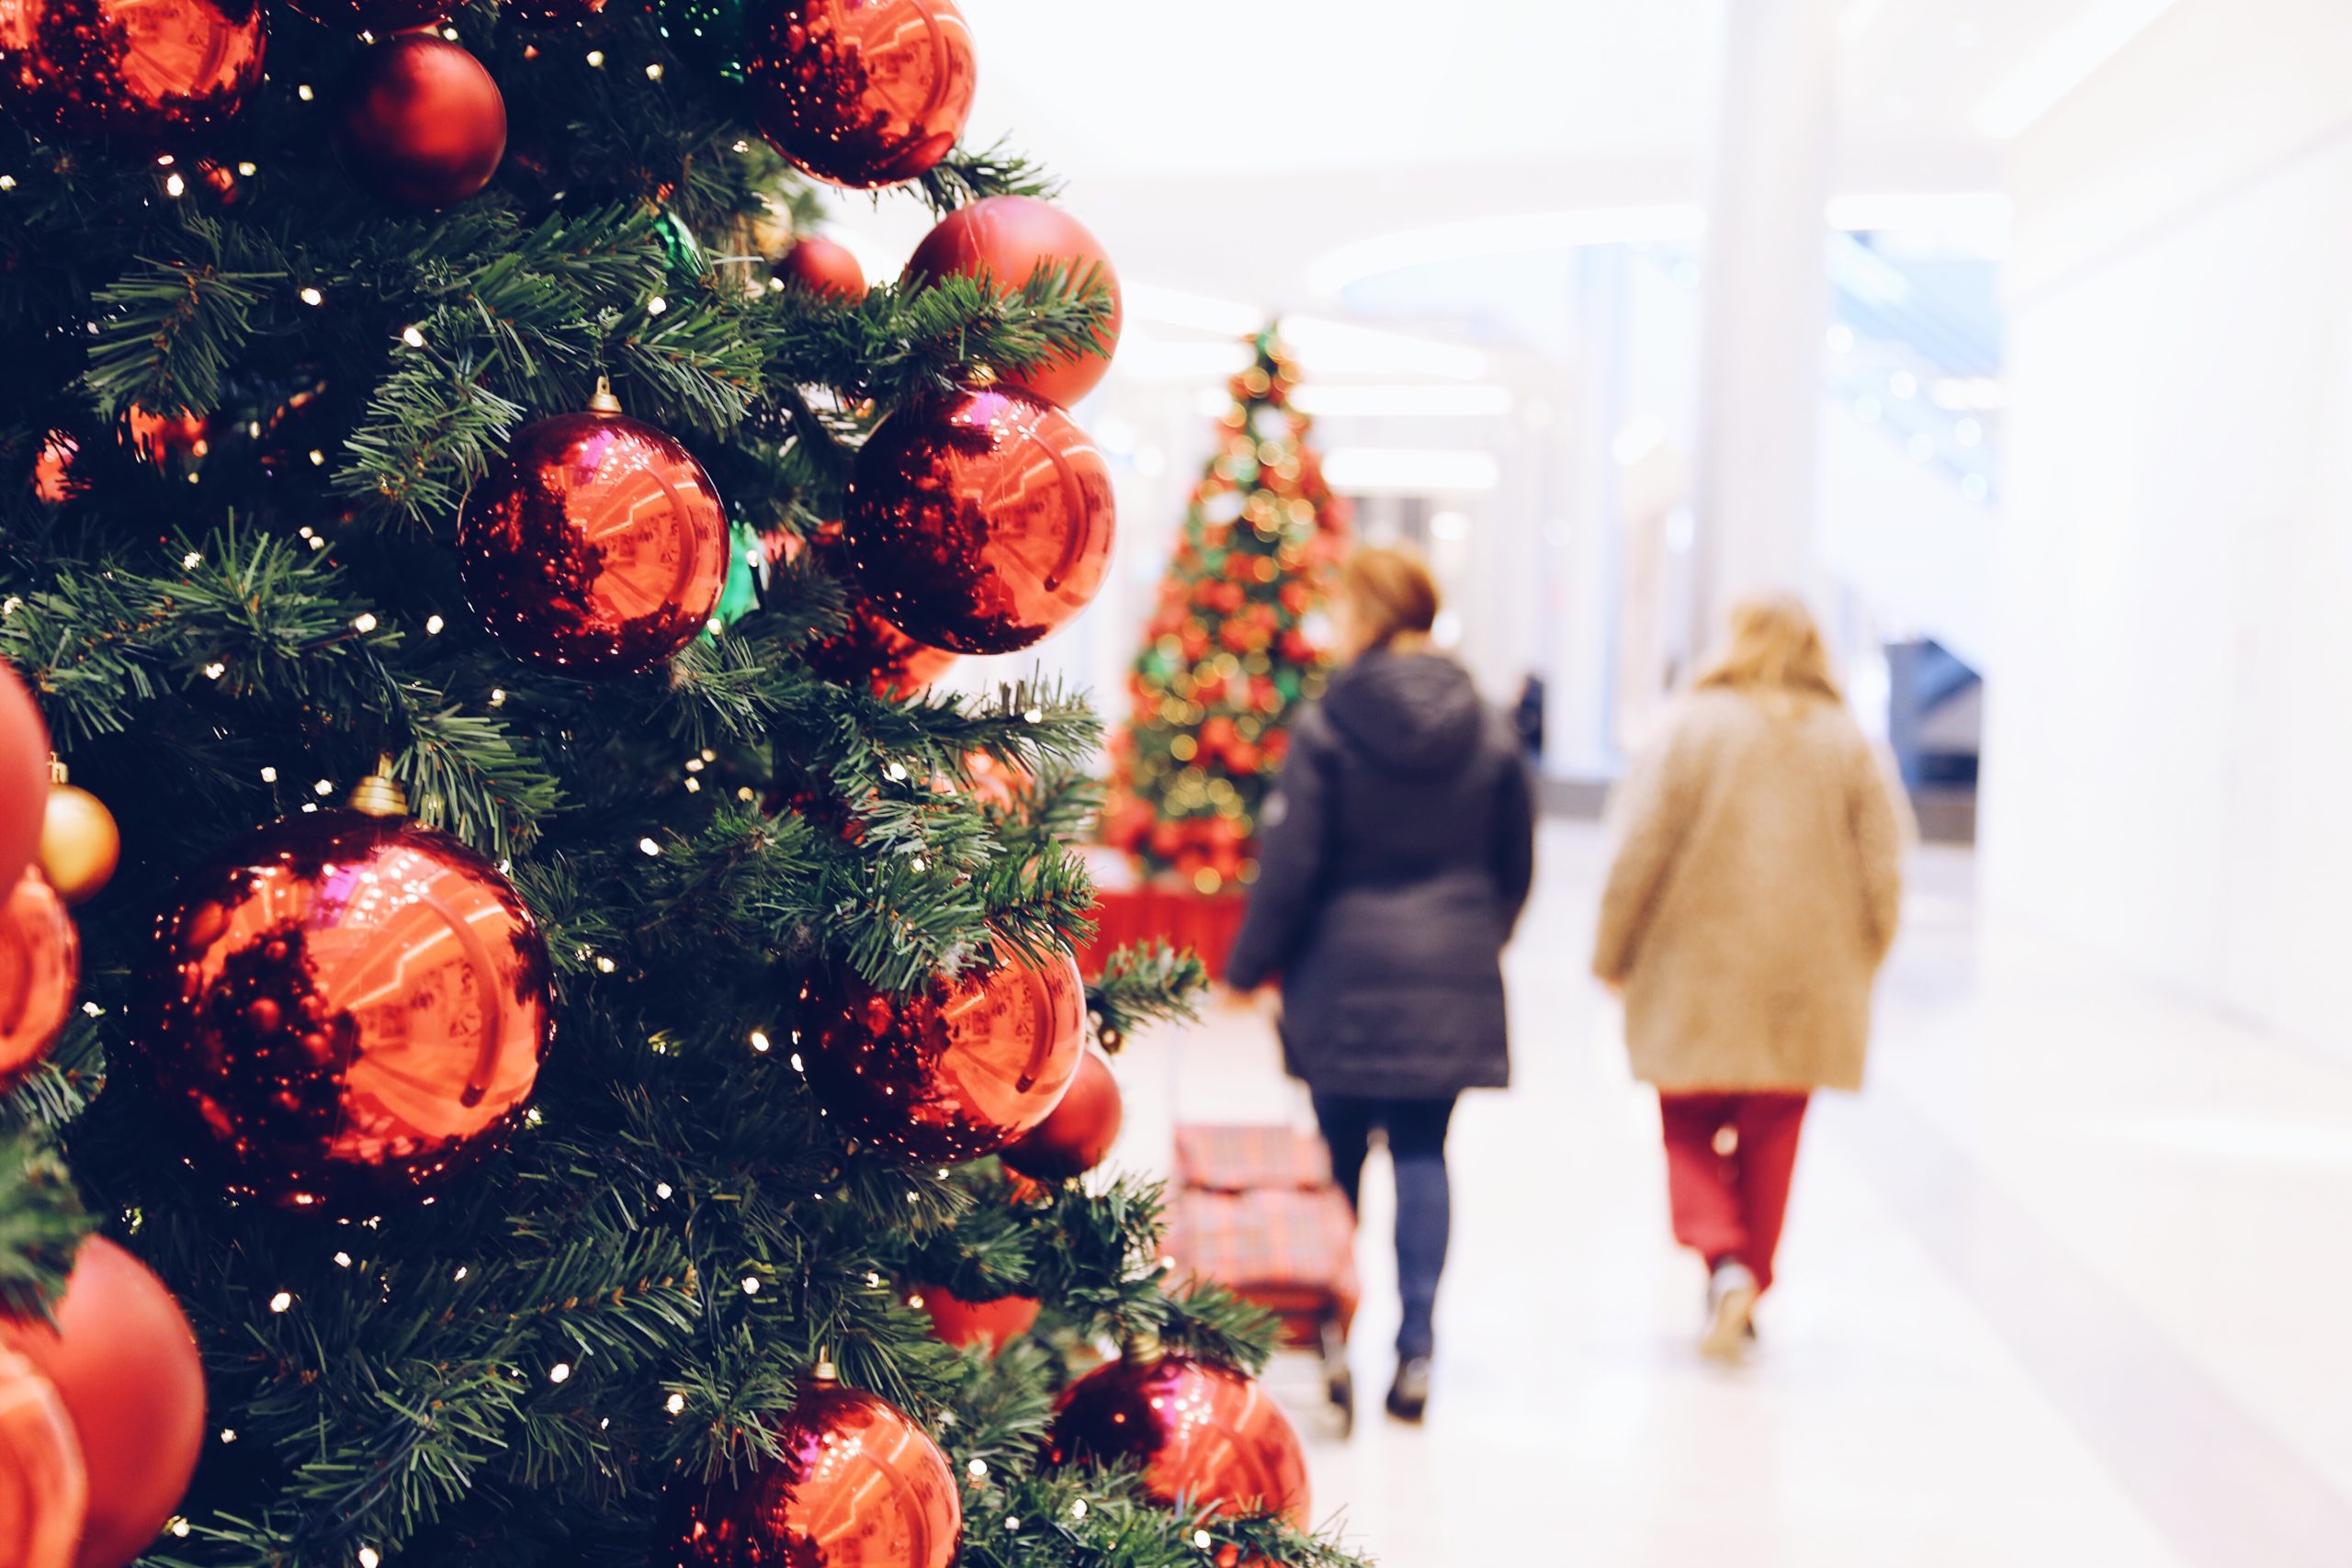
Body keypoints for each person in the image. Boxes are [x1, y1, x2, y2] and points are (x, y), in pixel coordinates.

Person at [1226, 544, 1537, 1423]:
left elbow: (1291, 864)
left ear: (1369, 615)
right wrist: (1476, 933)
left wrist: (1249, 968)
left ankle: (1331, 1338)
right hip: (1450, 970)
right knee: (1425, 1151)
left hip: (1342, 971)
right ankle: (1418, 1349)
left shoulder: (1331, 721)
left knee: (1335, 1164)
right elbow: (1516, 860)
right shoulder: (1485, 719)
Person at [1591, 592, 1905, 1359]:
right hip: (1808, 978)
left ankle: (1724, 1260)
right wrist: (1865, 953)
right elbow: (1886, 868)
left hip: (1693, 969)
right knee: (1773, 1132)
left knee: (1689, 1122)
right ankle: (1750, 1280)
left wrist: (1612, 951)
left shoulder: (1691, 729)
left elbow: (1639, 850)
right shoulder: (1848, 742)